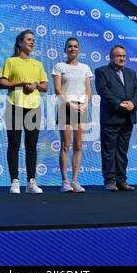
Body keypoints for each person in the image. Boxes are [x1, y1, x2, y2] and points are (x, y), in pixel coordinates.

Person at [0, 30, 48, 194]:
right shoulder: (11, 61)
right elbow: (2, 83)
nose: (32, 42)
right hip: (15, 105)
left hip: (33, 107)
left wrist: (35, 86)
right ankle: (14, 181)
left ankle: (31, 182)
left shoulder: (38, 64)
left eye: (33, 40)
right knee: (14, 144)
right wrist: (20, 83)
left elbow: (45, 86)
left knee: (31, 146)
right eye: (28, 40)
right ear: (20, 42)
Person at [95, 45, 137, 192]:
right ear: (111, 57)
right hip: (111, 117)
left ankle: (121, 181)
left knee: (122, 151)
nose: (121, 59)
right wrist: (120, 104)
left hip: (128, 117)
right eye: (118, 56)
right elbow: (103, 91)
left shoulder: (131, 73)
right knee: (109, 151)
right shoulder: (102, 71)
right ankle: (109, 181)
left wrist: (133, 103)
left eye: (123, 56)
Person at [53, 38, 92, 193]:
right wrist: (71, 104)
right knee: (66, 145)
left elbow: (88, 89)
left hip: (81, 107)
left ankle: (75, 181)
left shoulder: (85, 68)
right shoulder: (59, 66)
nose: (72, 49)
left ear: (79, 50)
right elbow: (58, 90)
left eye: (75, 46)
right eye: (69, 46)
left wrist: (84, 104)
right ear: (65, 49)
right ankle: (65, 182)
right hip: (65, 106)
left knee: (78, 145)